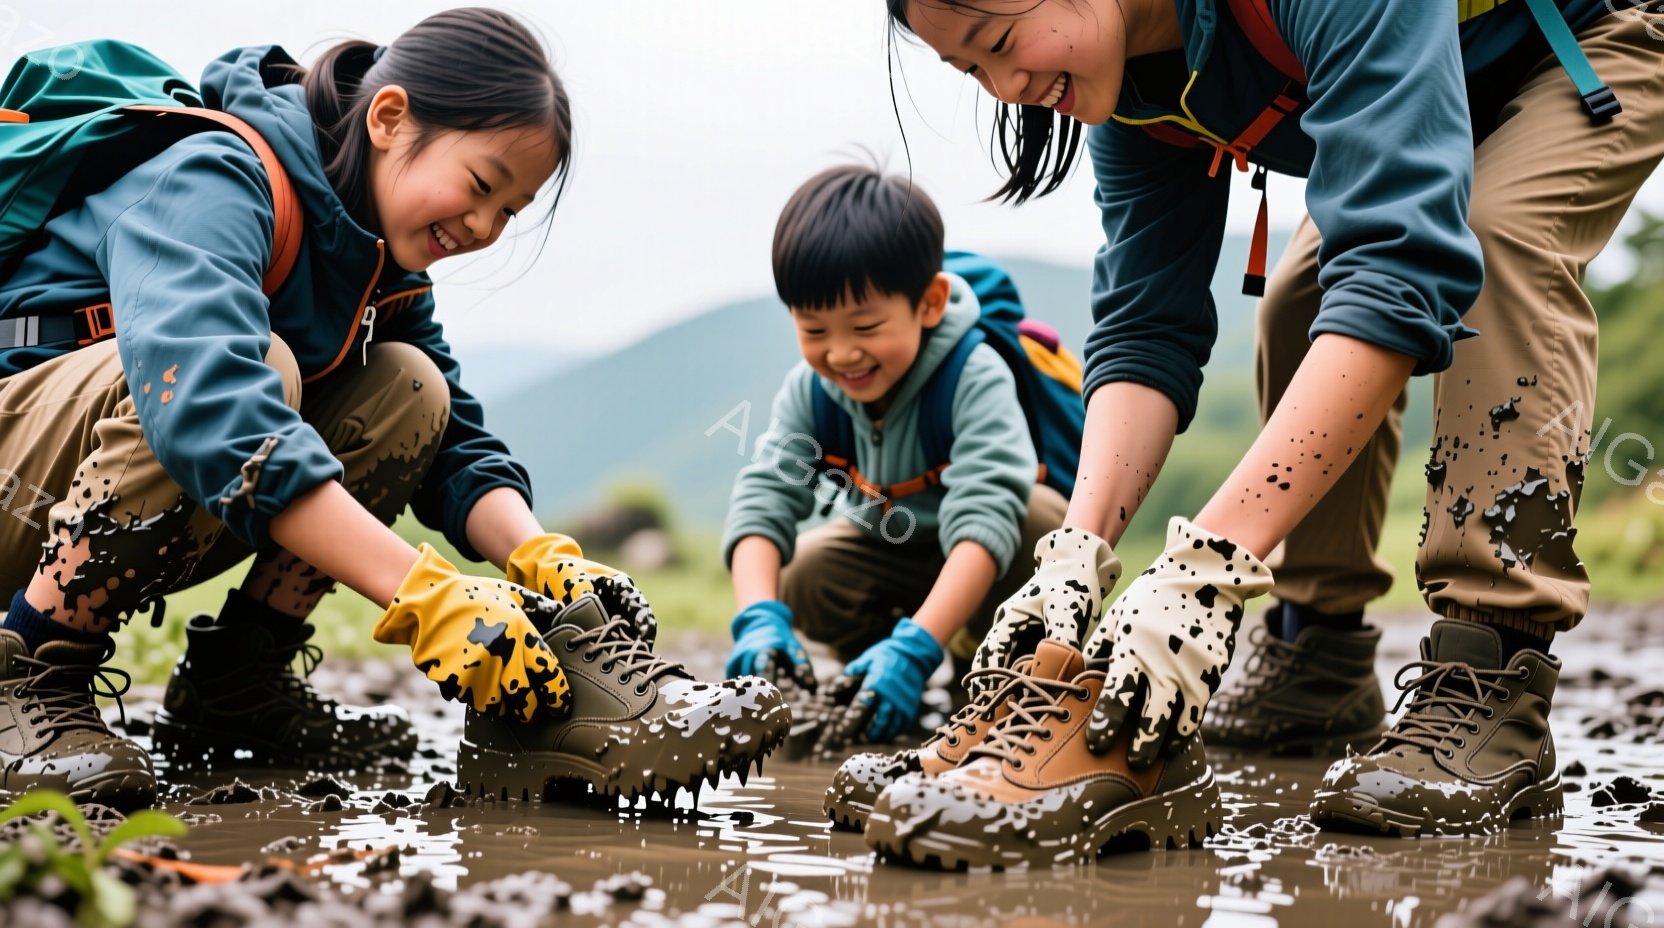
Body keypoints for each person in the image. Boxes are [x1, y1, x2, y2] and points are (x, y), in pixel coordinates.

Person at [857, 0, 1664, 866]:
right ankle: (1314, 659)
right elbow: (1144, 329)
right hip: (1434, 88)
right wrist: (1074, 555)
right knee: (1303, 300)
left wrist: (1205, 569)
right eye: (972, 72)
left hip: (1579, 36)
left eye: (1000, 43)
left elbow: (1401, 262)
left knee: (1492, 242)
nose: (1007, 88)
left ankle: (1494, 669)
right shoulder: (1137, 94)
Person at [0, 8, 659, 809]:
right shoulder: (217, 175)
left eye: (509, 211)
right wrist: (426, 600)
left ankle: (235, 687)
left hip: (99, 474)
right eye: (482, 185)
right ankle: (28, 670)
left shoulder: (377, 264)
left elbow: (454, 443)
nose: (485, 227)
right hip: (20, 476)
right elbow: (210, 405)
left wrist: (540, 555)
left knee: (411, 388)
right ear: (389, 118)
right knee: (259, 371)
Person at [722, 164, 1070, 753]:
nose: (841, 353)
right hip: (898, 546)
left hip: (991, 556)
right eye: (814, 330)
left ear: (929, 304)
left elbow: (986, 519)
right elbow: (765, 499)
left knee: (1041, 526)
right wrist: (758, 616)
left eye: (866, 325)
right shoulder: (813, 391)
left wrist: (919, 647)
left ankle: (984, 668)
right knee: (803, 573)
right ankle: (874, 676)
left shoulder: (972, 374)